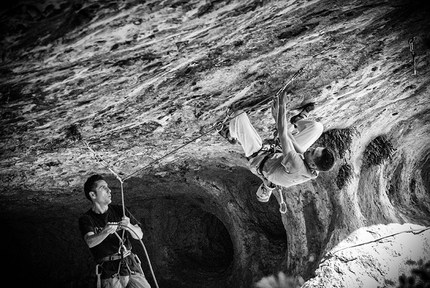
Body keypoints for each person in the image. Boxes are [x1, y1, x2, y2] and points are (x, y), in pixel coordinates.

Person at [219, 91, 335, 202]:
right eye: (314, 148)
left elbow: (283, 133)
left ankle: (231, 135)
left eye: (312, 152)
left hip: (259, 157)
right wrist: (280, 125)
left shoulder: (297, 166)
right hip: (279, 153)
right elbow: (295, 145)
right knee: (317, 128)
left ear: (312, 164)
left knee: (239, 116)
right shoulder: (315, 170)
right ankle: (297, 120)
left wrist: (281, 108)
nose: (311, 149)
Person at [79, 174, 151, 288]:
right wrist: (105, 231)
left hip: (129, 264)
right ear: (93, 195)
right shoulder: (87, 219)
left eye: (108, 187)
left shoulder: (119, 210)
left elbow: (139, 235)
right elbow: (90, 241)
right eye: (103, 188)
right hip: (109, 270)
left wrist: (129, 226)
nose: (109, 190)